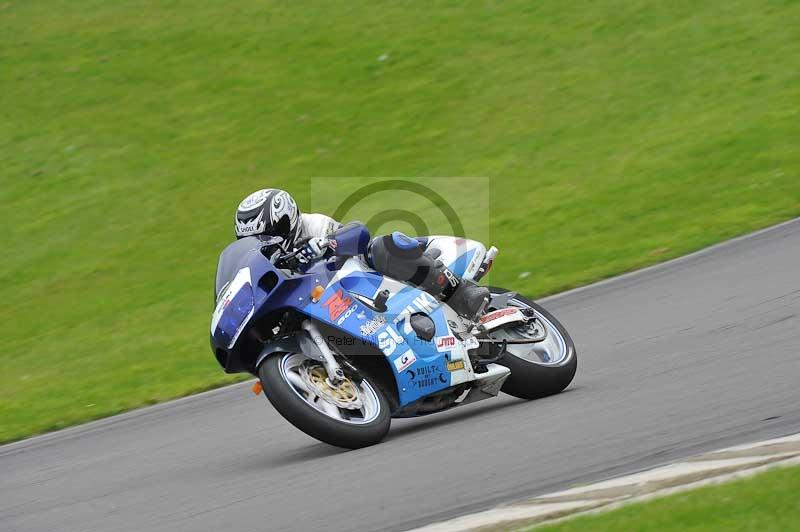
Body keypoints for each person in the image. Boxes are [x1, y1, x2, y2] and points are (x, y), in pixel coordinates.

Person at [234, 188, 490, 317]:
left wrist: (324, 244)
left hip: (366, 280)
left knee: (382, 247)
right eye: (255, 239)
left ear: (285, 220)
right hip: (334, 308)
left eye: (267, 233)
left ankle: (461, 293)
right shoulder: (268, 263)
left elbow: (358, 233)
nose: (264, 242)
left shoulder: (312, 225)